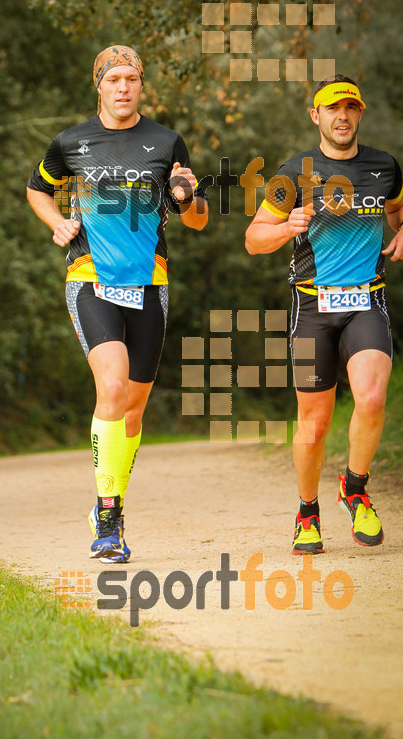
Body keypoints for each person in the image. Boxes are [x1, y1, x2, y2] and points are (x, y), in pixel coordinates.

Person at [27, 45, 208, 562]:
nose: (123, 87)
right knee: (111, 385)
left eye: (132, 78)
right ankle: (109, 523)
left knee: (132, 410)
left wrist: (185, 198)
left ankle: (110, 501)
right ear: (99, 85)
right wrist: (56, 221)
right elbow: (37, 189)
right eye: (114, 79)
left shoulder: (166, 142)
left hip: (150, 285)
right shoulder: (71, 142)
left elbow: (198, 219)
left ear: (141, 86)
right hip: (91, 279)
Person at [245, 74, 403, 554]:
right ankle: (307, 513)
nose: (342, 116)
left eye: (351, 108)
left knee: (372, 397)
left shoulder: (384, 167)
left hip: (366, 298)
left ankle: (355, 489)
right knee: (313, 421)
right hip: (312, 303)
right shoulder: (291, 175)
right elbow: (253, 240)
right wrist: (285, 225)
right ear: (316, 116)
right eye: (333, 109)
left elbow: (397, 210)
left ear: (359, 114)